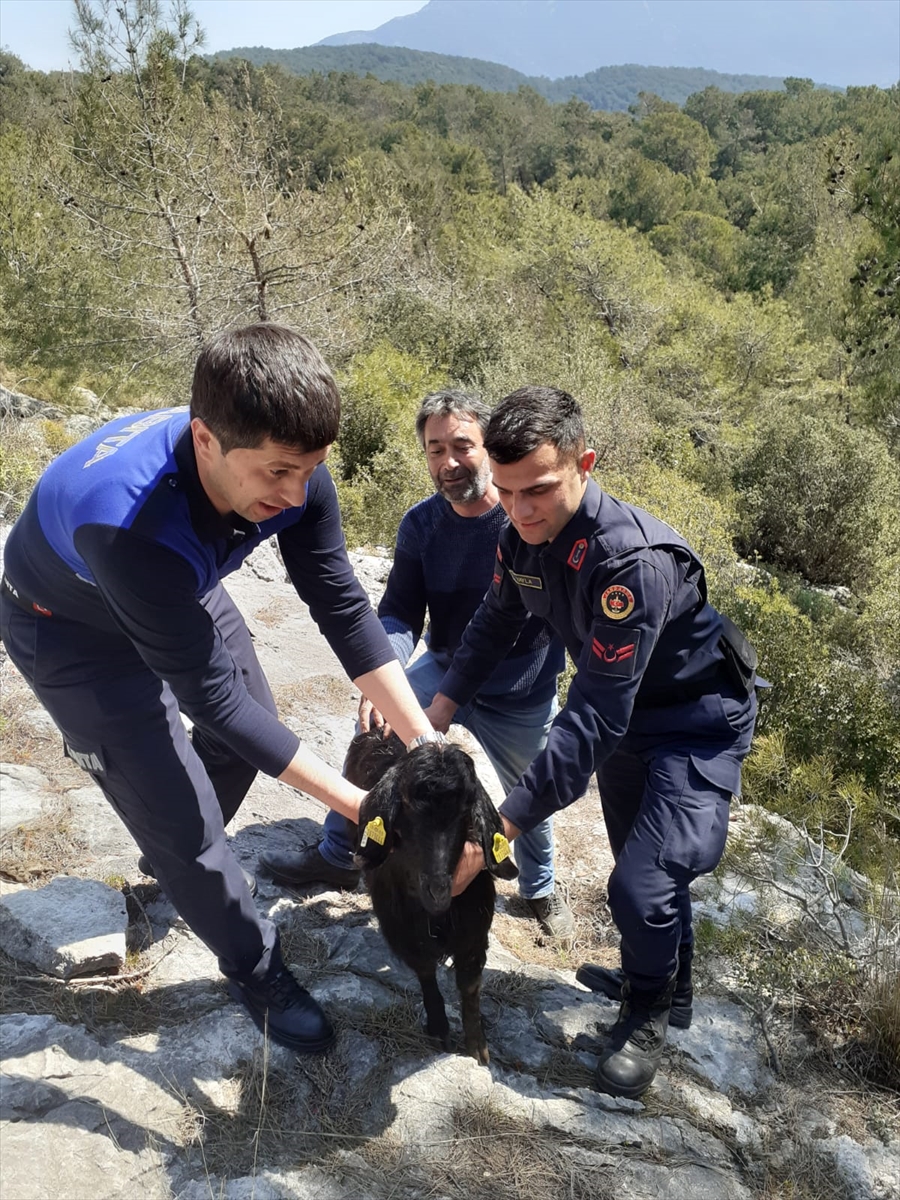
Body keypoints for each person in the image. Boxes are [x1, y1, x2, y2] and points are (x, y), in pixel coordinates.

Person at [0, 323, 444, 1055]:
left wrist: (426, 747)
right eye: (278, 473)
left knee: (241, 748)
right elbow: (217, 703)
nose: (296, 493)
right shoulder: (132, 527)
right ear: (206, 440)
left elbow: (339, 602)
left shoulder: (289, 459)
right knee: (184, 822)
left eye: (310, 470)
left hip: (179, 589)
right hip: (70, 629)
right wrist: (365, 808)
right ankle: (252, 964)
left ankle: (174, 863)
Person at [424, 386, 758, 1099]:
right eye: (507, 490)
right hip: (631, 720)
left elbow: (595, 714)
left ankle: (647, 1013)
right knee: (644, 868)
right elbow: (495, 620)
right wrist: (442, 705)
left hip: (695, 725)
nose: (520, 510)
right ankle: (667, 983)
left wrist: (502, 828)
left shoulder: (630, 564)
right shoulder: (523, 536)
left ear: (584, 463)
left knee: (640, 883)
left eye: (538, 489)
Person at [261, 391, 576, 939]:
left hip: (519, 689)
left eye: (462, 446)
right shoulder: (422, 525)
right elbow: (401, 610)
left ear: (489, 447)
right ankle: (341, 851)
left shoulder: (525, 518)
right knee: (374, 730)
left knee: (528, 788)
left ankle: (539, 887)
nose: (448, 462)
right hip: (447, 666)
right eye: (435, 449)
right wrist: (381, 672)